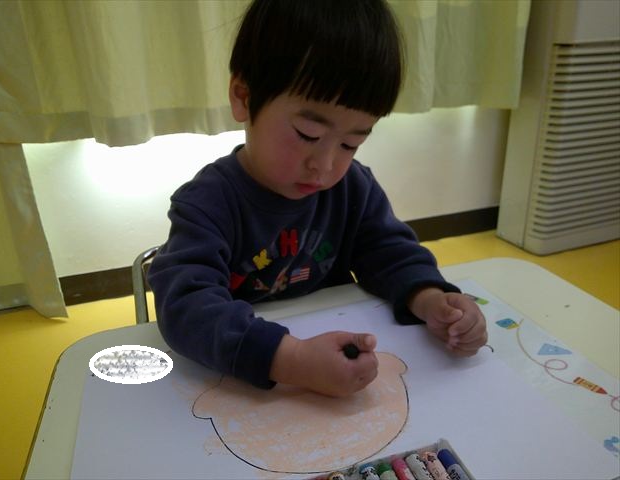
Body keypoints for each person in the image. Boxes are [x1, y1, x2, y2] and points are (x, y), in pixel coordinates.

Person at [148, 0, 487, 398]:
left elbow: (389, 252)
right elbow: (186, 307)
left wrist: (431, 300)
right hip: (246, 381)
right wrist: (291, 360)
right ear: (244, 97)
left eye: (350, 143)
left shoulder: (353, 188)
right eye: (307, 135)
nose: (324, 167)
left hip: (338, 359)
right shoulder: (207, 203)